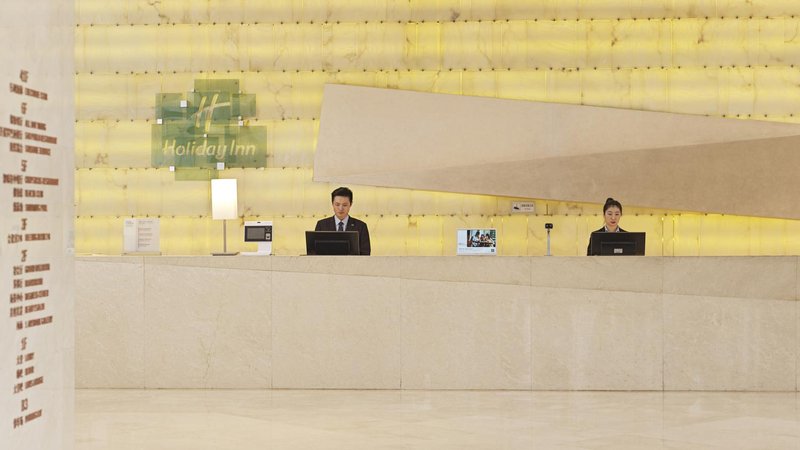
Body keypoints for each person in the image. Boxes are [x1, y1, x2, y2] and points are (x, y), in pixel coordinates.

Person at [315, 186, 371, 255]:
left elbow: (365, 253)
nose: (340, 208)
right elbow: (315, 253)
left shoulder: (361, 226)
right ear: (332, 204)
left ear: (350, 204)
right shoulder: (322, 225)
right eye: (337, 204)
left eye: (344, 205)